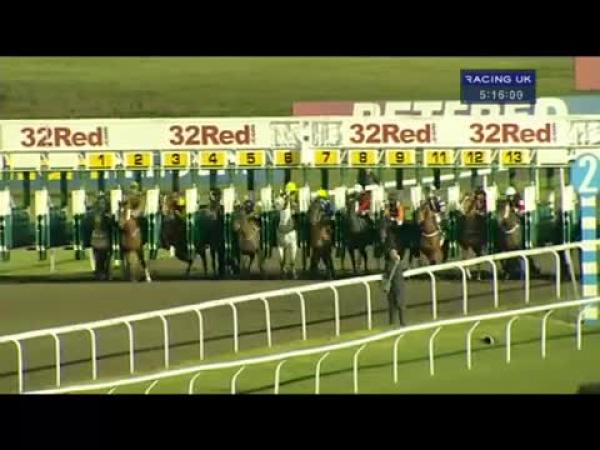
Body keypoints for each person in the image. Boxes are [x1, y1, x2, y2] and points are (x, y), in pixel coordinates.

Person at [382, 248, 406, 326]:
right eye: (391, 253)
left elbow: (404, 269)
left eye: (394, 253)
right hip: (393, 287)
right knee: (392, 306)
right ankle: (392, 323)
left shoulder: (399, 263)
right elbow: (385, 274)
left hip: (398, 286)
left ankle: (402, 322)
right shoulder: (388, 264)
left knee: (399, 304)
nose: (393, 255)